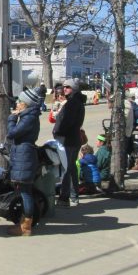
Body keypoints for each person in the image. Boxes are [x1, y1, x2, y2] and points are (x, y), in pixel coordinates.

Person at [5, 86, 44, 236]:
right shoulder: (29, 116)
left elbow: (12, 133)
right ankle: (24, 222)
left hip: (25, 156)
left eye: (20, 101)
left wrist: (12, 118)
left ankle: (25, 226)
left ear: (26, 104)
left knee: (25, 192)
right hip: (24, 155)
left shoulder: (29, 118)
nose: (17, 103)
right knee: (24, 191)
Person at [52, 79, 86, 207]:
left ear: (74, 89)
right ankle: (73, 196)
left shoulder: (73, 103)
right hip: (72, 139)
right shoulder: (75, 101)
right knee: (71, 168)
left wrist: (57, 131)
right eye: (64, 86)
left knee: (66, 169)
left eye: (68, 87)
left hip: (68, 139)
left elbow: (68, 122)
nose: (64, 89)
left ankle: (64, 197)